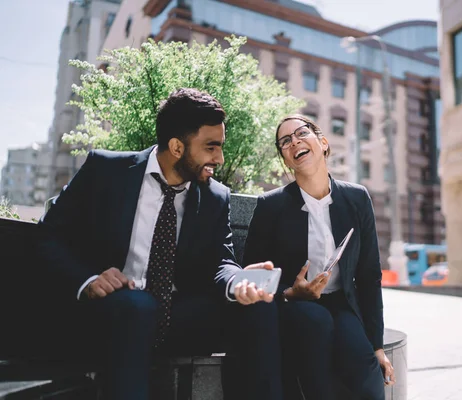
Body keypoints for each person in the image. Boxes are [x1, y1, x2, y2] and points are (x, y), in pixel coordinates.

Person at [38, 88, 282, 400]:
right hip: (117, 315)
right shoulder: (106, 170)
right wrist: (88, 280)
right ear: (177, 146)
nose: (219, 158)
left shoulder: (214, 196)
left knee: (260, 307)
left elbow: (221, 261)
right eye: (211, 147)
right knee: (137, 306)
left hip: (177, 319)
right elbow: (49, 235)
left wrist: (239, 282)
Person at [243, 114, 395, 400]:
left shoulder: (357, 198)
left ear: (323, 143)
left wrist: (377, 345)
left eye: (301, 133)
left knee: (366, 368)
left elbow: (369, 276)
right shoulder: (270, 206)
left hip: (341, 302)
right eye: (285, 141)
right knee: (315, 324)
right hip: (293, 304)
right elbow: (252, 274)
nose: (294, 142)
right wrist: (290, 292)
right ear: (286, 160)